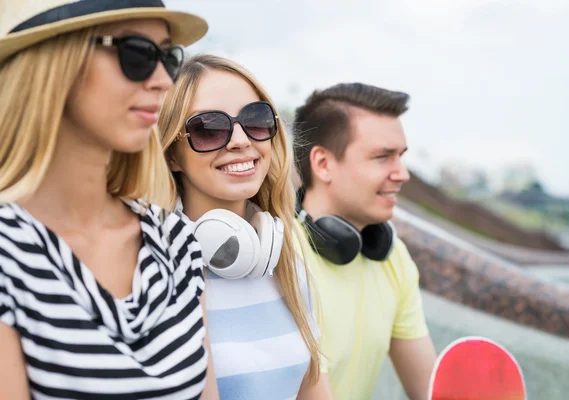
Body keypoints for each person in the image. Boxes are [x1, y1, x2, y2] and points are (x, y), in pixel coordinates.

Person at [0, 1, 219, 399]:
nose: (163, 81)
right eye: (137, 54)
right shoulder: (7, 254)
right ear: (55, 63)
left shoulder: (177, 240)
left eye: (169, 57)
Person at [157, 54, 333, 400]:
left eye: (255, 120)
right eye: (209, 128)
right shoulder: (157, 269)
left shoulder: (283, 262)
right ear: (172, 155)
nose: (240, 140)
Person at [293, 82, 437, 400]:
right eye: (383, 157)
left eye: (401, 156)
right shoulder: (281, 256)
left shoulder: (393, 256)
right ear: (323, 164)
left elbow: (430, 390)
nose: (402, 174)